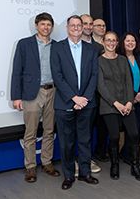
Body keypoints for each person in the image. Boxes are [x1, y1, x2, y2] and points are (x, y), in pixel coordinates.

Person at [51, 15, 99, 190]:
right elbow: (58, 76)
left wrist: (84, 98)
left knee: (85, 140)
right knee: (67, 143)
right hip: (65, 103)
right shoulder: (57, 48)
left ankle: (85, 173)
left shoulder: (91, 49)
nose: (77, 28)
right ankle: (69, 176)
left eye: (80, 25)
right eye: (73, 25)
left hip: (87, 103)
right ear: (67, 27)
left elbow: (94, 75)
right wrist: (74, 97)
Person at [11, 12, 60, 183]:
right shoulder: (24, 44)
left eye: (49, 25)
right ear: (37, 26)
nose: (46, 27)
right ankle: (30, 167)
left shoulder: (57, 45)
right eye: (43, 24)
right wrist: (16, 97)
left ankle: (47, 162)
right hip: (32, 93)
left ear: (52, 27)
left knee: (49, 130)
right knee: (30, 133)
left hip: (53, 91)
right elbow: (17, 71)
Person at [97, 31, 140, 181]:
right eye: (108, 40)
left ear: (117, 43)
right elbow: (101, 86)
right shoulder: (98, 61)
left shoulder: (123, 60)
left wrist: (130, 102)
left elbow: (128, 82)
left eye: (114, 41)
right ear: (103, 42)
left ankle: (135, 166)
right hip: (109, 105)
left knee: (134, 134)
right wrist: (116, 104)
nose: (111, 43)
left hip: (127, 103)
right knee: (114, 136)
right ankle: (114, 164)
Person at [117, 32, 140, 164]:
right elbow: (120, 81)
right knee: (132, 129)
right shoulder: (119, 58)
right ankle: (129, 155)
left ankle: (126, 152)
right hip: (126, 99)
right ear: (123, 43)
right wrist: (133, 95)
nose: (130, 43)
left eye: (133, 41)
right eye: (127, 41)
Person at [80, 13, 104, 174]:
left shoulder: (98, 48)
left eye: (90, 24)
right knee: (77, 131)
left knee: (87, 130)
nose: (88, 27)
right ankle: (77, 161)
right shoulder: (69, 45)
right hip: (76, 96)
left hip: (94, 95)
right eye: (85, 23)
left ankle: (86, 159)